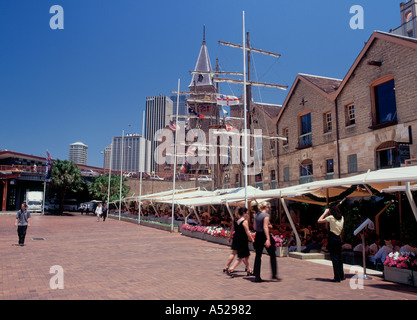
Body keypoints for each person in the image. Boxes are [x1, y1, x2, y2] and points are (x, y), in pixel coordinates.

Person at [253, 201, 280, 282]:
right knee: (272, 254)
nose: (269, 209)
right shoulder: (266, 215)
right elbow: (265, 227)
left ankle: (257, 276)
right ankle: (274, 275)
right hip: (264, 235)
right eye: (268, 207)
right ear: (266, 207)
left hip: (258, 235)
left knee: (258, 256)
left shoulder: (256, 215)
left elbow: (254, 227)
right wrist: (268, 239)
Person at [318, 205, 345, 282]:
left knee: (334, 258)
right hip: (338, 238)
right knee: (339, 257)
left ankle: (337, 277)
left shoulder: (331, 217)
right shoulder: (342, 218)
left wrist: (325, 213)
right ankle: (341, 275)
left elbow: (319, 220)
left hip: (332, 238)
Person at [227, 207, 254, 277]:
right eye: (247, 213)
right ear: (244, 213)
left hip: (237, 238)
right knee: (241, 257)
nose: (248, 214)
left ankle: (249, 270)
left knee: (246, 255)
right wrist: (252, 239)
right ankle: (231, 268)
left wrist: (230, 237)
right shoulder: (244, 221)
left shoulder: (237, 220)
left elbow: (232, 229)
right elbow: (247, 232)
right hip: (243, 240)